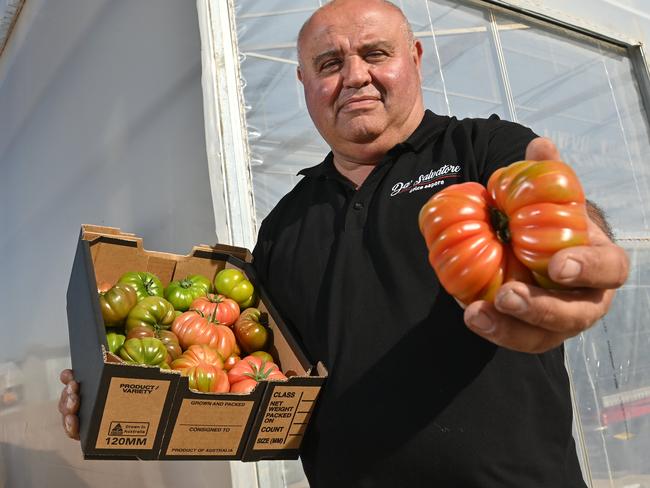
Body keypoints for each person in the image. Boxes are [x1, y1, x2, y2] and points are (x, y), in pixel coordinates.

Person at [60, 0, 630, 486]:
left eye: (375, 54)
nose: (354, 76)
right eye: (329, 64)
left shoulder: (482, 149)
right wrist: (116, 389)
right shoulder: (284, 225)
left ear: (414, 59)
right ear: (305, 83)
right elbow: (256, 372)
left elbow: (556, 215)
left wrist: (580, 246)